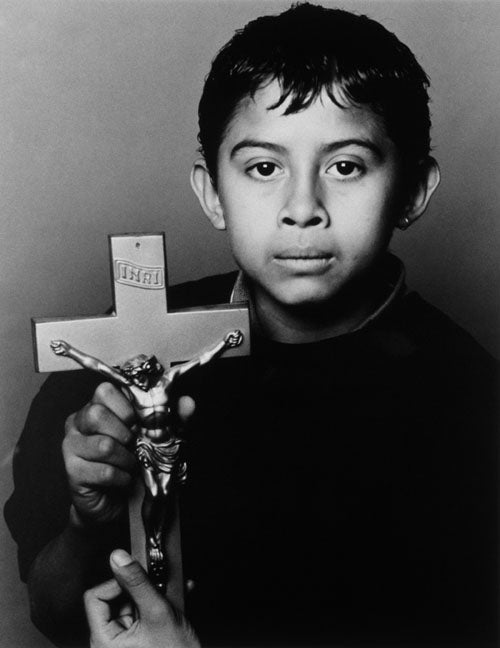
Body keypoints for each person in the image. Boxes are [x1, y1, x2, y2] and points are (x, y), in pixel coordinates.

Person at [5, 3, 498, 647]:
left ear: (410, 192)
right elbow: (51, 608)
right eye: (264, 167)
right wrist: (85, 520)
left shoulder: (471, 405)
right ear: (213, 192)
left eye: (345, 166)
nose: (301, 209)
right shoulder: (128, 347)